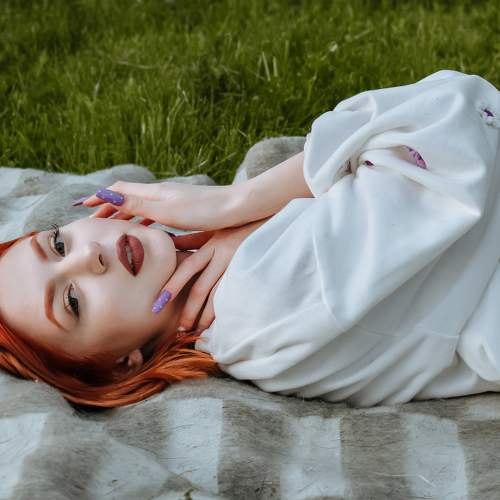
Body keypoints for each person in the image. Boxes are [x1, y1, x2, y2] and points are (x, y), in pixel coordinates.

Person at [1, 69, 499, 409]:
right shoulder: (258, 299)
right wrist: (240, 201)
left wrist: (249, 221)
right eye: (72, 301)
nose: (89, 256)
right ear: (119, 367)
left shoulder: (240, 322)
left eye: (59, 245)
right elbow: (452, 116)